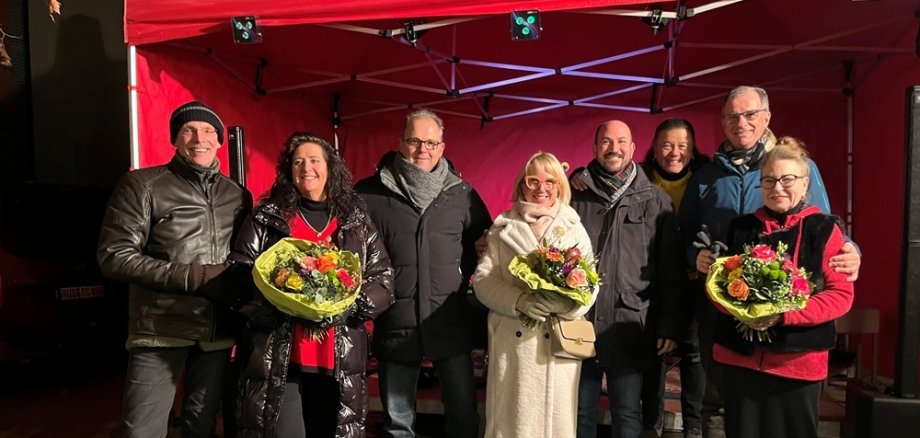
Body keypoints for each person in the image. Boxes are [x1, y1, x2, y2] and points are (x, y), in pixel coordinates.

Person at [678, 85, 861, 438]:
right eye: (732, 116)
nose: (740, 123)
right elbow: (682, 233)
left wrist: (853, 250)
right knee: (718, 407)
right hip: (729, 331)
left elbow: (825, 227)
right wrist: (695, 257)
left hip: (794, 350)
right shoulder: (706, 176)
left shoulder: (799, 165)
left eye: (749, 115)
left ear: (766, 118)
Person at [97, 101, 252, 438]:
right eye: (188, 130)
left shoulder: (238, 195)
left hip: (216, 332)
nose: (200, 138)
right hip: (159, 329)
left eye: (209, 130)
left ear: (220, 140)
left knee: (201, 426)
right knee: (142, 430)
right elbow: (114, 255)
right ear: (175, 139)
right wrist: (193, 277)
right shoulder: (142, 185)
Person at [232, 132, 395, 438]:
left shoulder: (355, 220)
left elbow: (383, 278)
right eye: (298, 162)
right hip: (281, 358)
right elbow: (239, 277)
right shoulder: (267, 218)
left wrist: (349, 307)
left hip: (337, 361)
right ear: (288, 171)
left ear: (330, 168)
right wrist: (279, 305)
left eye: (314, 160)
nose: (307, 168)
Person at [355, 109, 492, 438]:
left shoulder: (463, 194)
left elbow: (485, 245)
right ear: (401, 143)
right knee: (397, 423)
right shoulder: (370, 193)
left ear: (442, 147)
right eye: (415, 141)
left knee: (463, 417)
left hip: (449, 321)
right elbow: (355, 253)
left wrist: (463, 275)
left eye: (431, 142)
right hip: (396, 321)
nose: (422, 149)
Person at [713, 137, 854, 438]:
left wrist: (784, 314)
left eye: (787, 179)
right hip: (742, 361)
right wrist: (742, 309)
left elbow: (840, 296)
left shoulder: (825, 229)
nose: (777, 187)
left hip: (798, 364)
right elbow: (718, 288)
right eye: (769, 180)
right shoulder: (740, 227)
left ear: (805, 184)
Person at [571, 120, 687, 438]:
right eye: (606, 142)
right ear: (594, 148)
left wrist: (668, 326)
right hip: (582, 322)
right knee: (580, 412)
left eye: (621, 141)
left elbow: (671, 272)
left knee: (627, 412)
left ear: (633, 149)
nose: (614, 148)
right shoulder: (573, 197)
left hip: (632, 323)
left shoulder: (656, 201)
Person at [473, 152, 597, 438]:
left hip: (558, 345)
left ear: (560, 186)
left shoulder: (574, 227)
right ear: (521, 185)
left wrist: (566, 305)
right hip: (514, 346)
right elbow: (483, 280)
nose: (541, 188)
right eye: (533, 180)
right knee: (513, 426)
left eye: (550, 181)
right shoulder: (502, 227)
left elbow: (591, 284)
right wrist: (519, 302)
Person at [639, 119, 709, 438]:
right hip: (653, 283)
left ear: (693, 151)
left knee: (693, 355)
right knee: (655, 355)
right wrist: (577, 177)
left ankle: (693, 427)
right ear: (654, 148)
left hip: (695, 281)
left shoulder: (705, 179)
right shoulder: (639, 178)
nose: (674, 152)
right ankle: (651, 423)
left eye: (682, 146)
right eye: (667, 145)